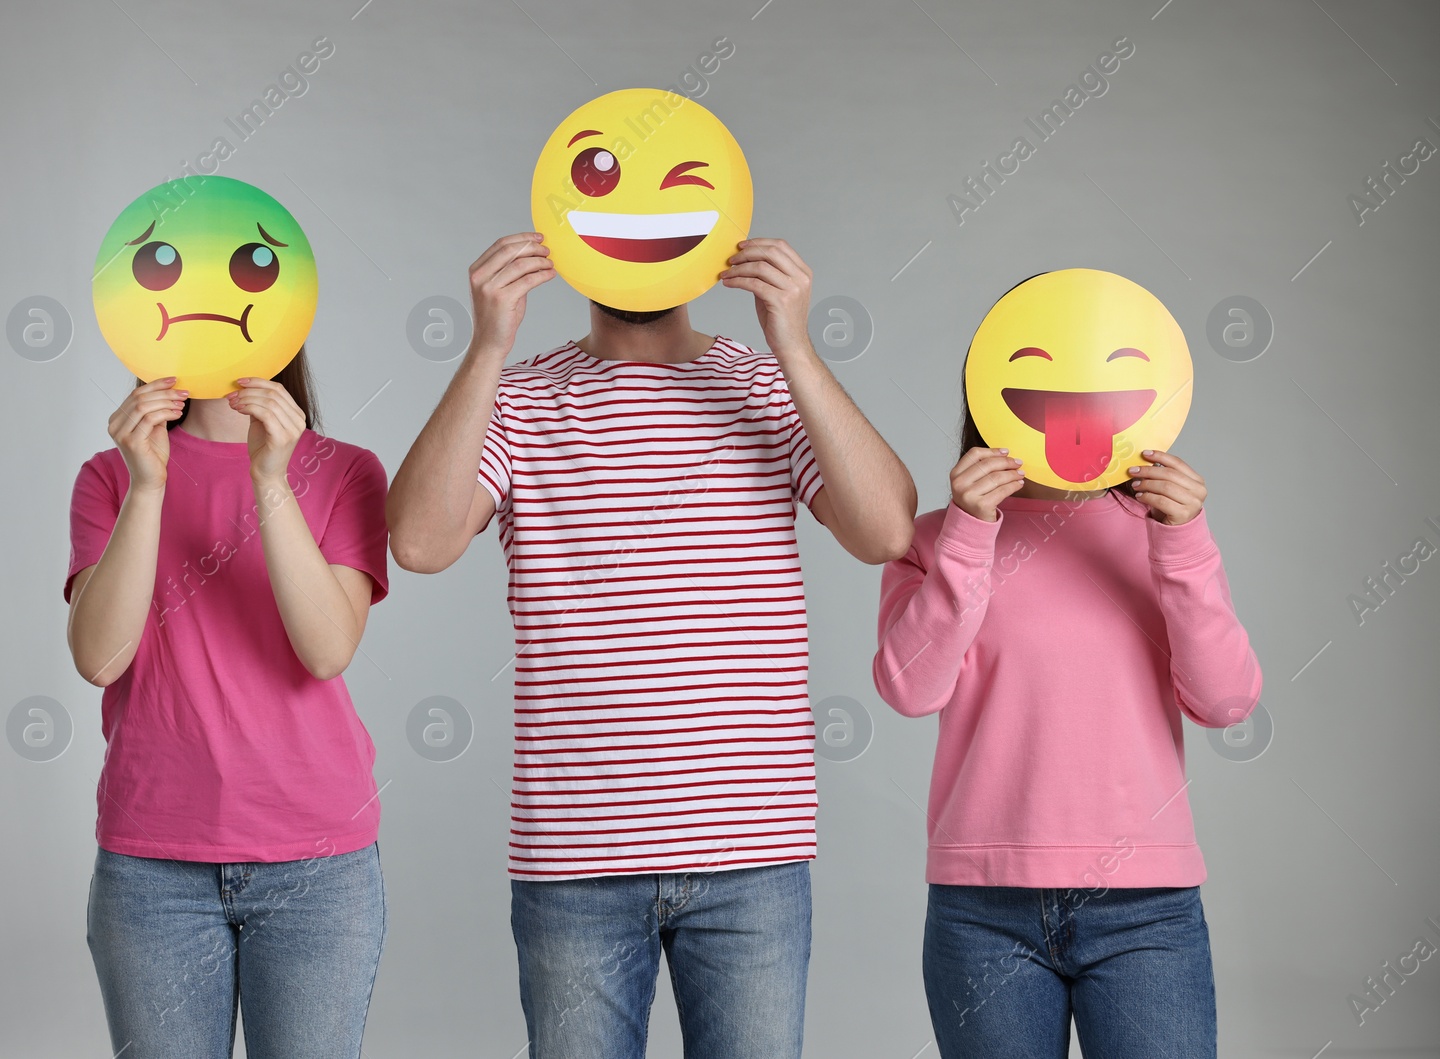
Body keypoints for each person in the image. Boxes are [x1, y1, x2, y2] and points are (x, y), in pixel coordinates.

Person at [387, 233, 918, 1058]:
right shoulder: (518, 398)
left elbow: (885, 530)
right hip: (574, 861)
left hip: (752, 853)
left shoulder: (768, 387)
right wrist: (488, 344)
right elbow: (419, 542)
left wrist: (795, 346)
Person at [872, 378, 1262, 1058]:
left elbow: (1226, 701)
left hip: (1146, 908)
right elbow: (910, 687)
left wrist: (1185, 542)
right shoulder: (935, 539)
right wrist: (969, 534)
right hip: (982, 910)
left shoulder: (1162, 534)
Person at [64, 352, 391, 1058]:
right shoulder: (109, 475)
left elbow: (327, 648)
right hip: (152, 866)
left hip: (317, 864)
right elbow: (99, 657)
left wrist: (270, 478)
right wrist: (147, 487)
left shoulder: (346, 469)